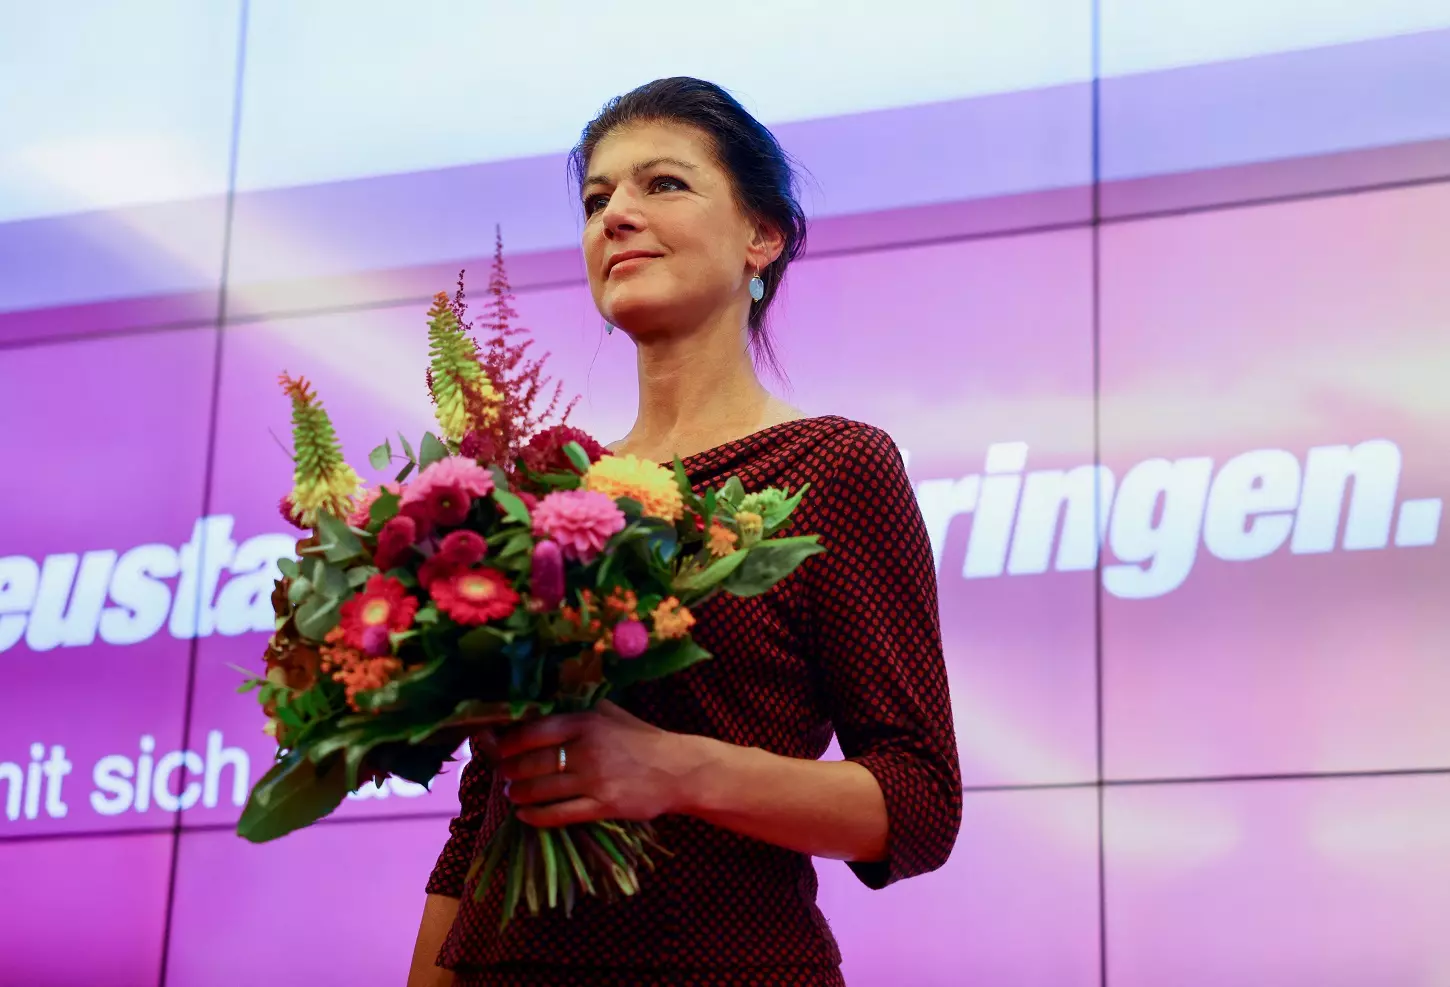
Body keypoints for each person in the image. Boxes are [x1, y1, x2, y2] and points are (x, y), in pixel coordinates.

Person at [408, 77, 961, 987]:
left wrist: (676, 769)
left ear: (762, 236)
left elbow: (920, 800)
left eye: (662, 183)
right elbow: (485, 819)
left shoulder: (832, 467)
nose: (617, 214)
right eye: (597, 199)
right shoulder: (539, 496)